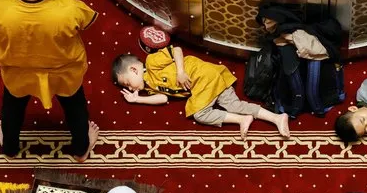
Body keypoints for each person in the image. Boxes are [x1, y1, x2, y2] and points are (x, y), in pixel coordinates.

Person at [0, 0, 100, 162]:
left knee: (12, 108)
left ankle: (9, 147)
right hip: (64, 75)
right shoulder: (67, 9)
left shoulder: (0, 8)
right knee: (75, 108)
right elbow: (87, 20)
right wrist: (55, 2)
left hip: (18, 75)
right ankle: (81, 150)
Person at [111, 48, 290, 139]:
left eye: (128, 83)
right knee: (235, 105)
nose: (132, 88)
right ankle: (276, 118)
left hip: (201, 76)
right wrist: (138, 100)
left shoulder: (151, 62)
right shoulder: (149, 87)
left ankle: (241, 119)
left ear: (134, 70)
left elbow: (177, 50)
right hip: (208, 81)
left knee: (199, 113)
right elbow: (163, 98)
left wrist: (180, 71)